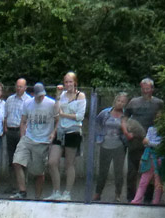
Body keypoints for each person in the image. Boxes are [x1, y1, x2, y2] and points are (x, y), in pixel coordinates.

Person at [11, 82, 56, 200]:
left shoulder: (51, 104)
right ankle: (22, 191)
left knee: (39, 172)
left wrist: (53, 133)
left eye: (42, 95)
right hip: (28, 138)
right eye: (38, 96)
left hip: (43, 140)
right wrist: (22, 136)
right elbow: (23, 120)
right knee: (17, 162)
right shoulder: (28, 103)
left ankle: (38, 196)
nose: (40, 98)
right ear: (33, 94)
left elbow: (58, 120)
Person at [122, 78, 164, 202]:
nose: (145, 91)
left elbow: (163, 120)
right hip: (135, 141)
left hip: (152, 143)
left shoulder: (159, 103)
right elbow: (124, 118)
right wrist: (126, 132)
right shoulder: (133, 102)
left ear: (152, 89)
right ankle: (131, 197)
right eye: (143, 89)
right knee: (132, 170)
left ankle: (148, 197)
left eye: (148, 89)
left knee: (150, 171)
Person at [47, 71, 86, 201]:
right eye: (66, 82)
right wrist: (57, 97)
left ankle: (67, 193)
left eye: (70, 82)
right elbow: (55, 111)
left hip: (73, 131)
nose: (68, 84)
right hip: (61, 130)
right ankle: (56, 190)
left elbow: (79, 116)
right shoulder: (62, 95)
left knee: (69, 164)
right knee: (52, 161)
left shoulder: (80, 96)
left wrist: (64, 115)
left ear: (75, 83)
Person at [93, 92, 128, 202]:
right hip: (105, 145)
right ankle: (98, 193)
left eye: (123, 102)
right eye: (119, 101)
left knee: (118, 172)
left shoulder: (126, 115)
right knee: (103, 171)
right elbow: (96, 123)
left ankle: (118, 194)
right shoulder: (105, 113)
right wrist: (98, 137)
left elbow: (129, 128)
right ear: (115, 100)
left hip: (119, 146)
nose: (120, 103)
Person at [4, 78, 32, 190]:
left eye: (21, 86)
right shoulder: (10, 99)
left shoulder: (29, 101)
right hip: (10, 131)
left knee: (22, 160)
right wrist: (5, 127)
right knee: (11, 160)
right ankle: (12, 185)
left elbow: (29, 119)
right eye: (17, 86)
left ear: (25, 87)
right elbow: (5, 115)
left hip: (22, 133)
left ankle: (23, 186)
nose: (18, 88)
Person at [131, 112, 164, 205]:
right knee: (144, 181)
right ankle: (136, 201)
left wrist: (149, 142)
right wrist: (148, 142)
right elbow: (145, 142)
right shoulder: (151, 129)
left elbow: (160, 144)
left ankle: (156, 202)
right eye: (157, 118)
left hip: (159, 158)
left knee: (158, 182)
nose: (158, 120)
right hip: (149, 158)